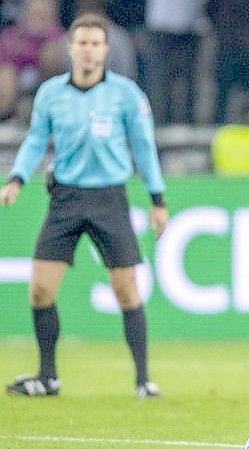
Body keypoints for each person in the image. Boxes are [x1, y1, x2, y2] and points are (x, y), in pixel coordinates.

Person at [0, 13, 168, 399]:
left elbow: (144, 149)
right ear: (70, 48)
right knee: (40, 290)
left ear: (105, 50)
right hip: (66, 198)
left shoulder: (126, 95)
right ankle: (48, 376)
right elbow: (35, 141)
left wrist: (157, 200)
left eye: (95, 44)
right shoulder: (51, 94)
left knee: (126, 290)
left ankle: (143, 380)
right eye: (82, 43)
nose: (89, 50)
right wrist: (17, 179)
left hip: (110, 197)